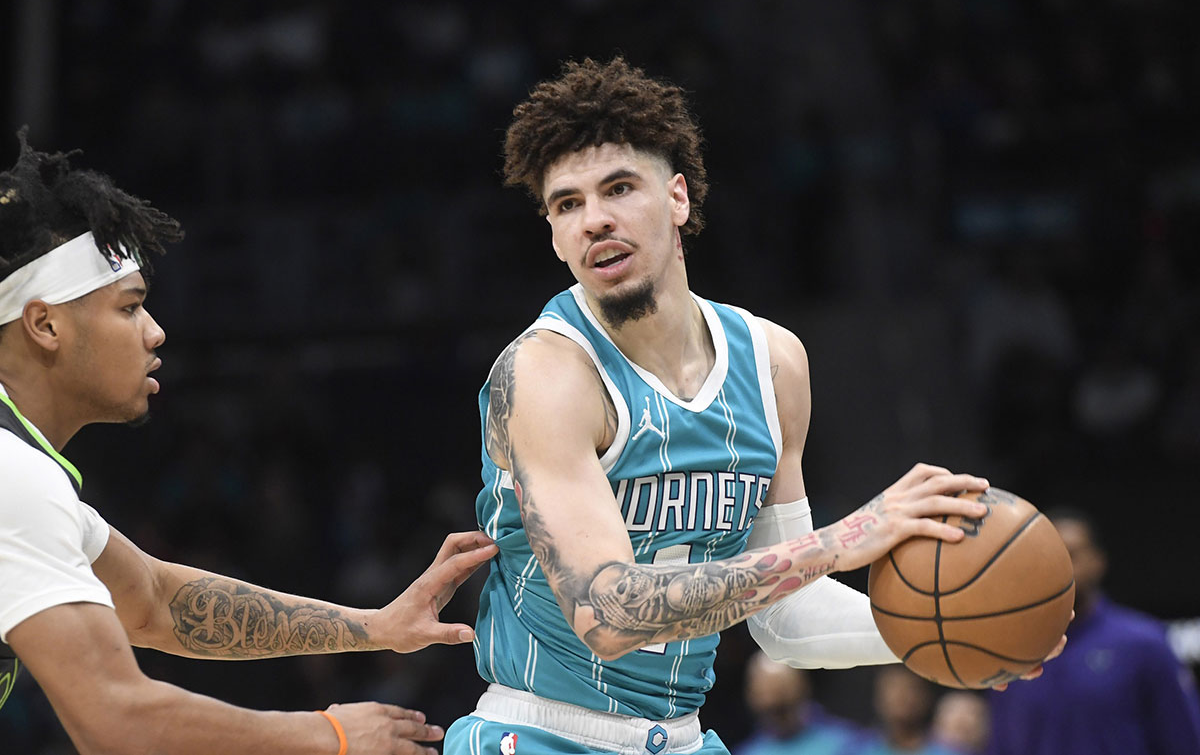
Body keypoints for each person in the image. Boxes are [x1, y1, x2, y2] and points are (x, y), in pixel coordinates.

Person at [443, 57, 1055, 755]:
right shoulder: (547, 373)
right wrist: (842, 539)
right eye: (567, 204)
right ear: (552, 233)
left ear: (677, 198)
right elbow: (607, 613)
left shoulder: (773, 361)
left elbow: (785, 616)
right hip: (540, 732)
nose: (595, 220)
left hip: (680, 738)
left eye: (618, 188)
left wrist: (952, 626)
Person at [0, 131, 498, 755]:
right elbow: (114, 719)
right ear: (44, 325)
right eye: (129, 309)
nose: (155, 333)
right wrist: (328, 735)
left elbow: (157, 602)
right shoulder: (12, 476)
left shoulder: (20, 473)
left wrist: (377, 627)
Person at [986, 508, 1200, 755]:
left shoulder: (1143, 642)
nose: (1058, 565)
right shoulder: (1010, 650)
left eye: (1072, 554)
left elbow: (1185, 742)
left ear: (1098, 562)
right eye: (1047, 554)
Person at [734, 651, 859, 755]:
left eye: (782, 691)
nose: (772, 701)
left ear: (803, 686)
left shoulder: (846, 744)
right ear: (751, 695)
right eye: (764, 693)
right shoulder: (748, 752)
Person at [847, 666, 956, 755]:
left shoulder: (950, 750)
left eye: (911, 688)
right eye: (892, 688)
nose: (901, 697)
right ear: (877, 696)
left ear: (926, 697)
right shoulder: (854, 748)